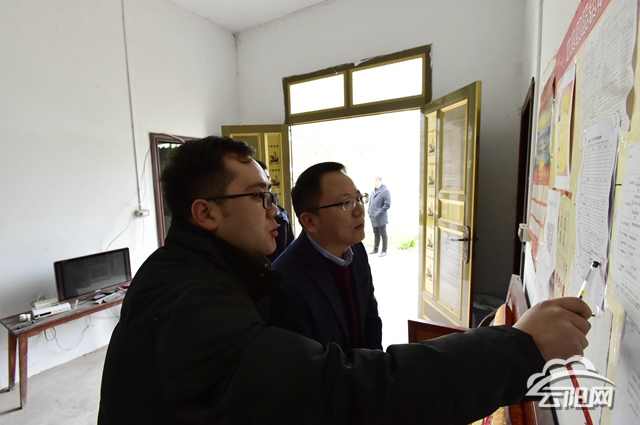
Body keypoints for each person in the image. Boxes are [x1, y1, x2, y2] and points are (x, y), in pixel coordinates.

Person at [98, 135, 592, 425]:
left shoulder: (218, 272)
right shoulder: (191, 301)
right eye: (259, 197)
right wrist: (514, 349)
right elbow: (335, 387)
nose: (274, 211)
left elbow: (365, 340)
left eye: (272, 195)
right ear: (205, 213)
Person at [270, 162, 382, 351]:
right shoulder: (285, 281)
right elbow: (309, 360)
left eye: (358, 198)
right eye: (346, 203)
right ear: (310, 221)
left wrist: (376, 363)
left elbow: (370, 318)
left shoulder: (356, 250)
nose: (359, 210)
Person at [256, 160, 295, 262]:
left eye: (268, 181)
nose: (273, 211)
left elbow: (290, 248)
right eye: (257, 194)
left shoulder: (282, 214)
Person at [368, 176, 391, 257]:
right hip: (373, 217)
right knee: (376, 233)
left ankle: (384, 251)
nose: (374, 183)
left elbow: (387, 204)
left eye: (375, 181)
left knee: (383, 234)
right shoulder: (373, 192)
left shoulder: (385, 191)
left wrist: (379, 212)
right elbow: (370, 203)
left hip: (381, 217)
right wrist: (369, 211)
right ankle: (375, 249)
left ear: (379, 181)